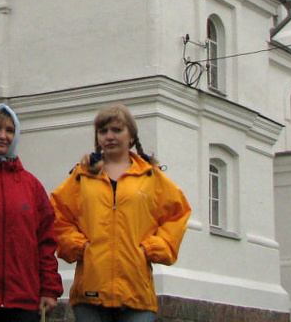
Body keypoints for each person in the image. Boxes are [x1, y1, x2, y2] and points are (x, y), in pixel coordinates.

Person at [50, 104, 191, 322]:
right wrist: (80, 247)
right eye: (103, 131)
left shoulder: (151, 177)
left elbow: (177, 214)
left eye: (117, 130)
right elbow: (58, 215)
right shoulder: (82, 175)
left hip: (136, 294)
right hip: (90, 293)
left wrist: (152, 248)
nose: (110, 136)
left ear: (131, 136)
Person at [0, 104, 63, 322]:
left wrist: (49, 288)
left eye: (9, 130)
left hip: (22, 301)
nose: (2, 136)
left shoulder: (30, 185)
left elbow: (45, 241)